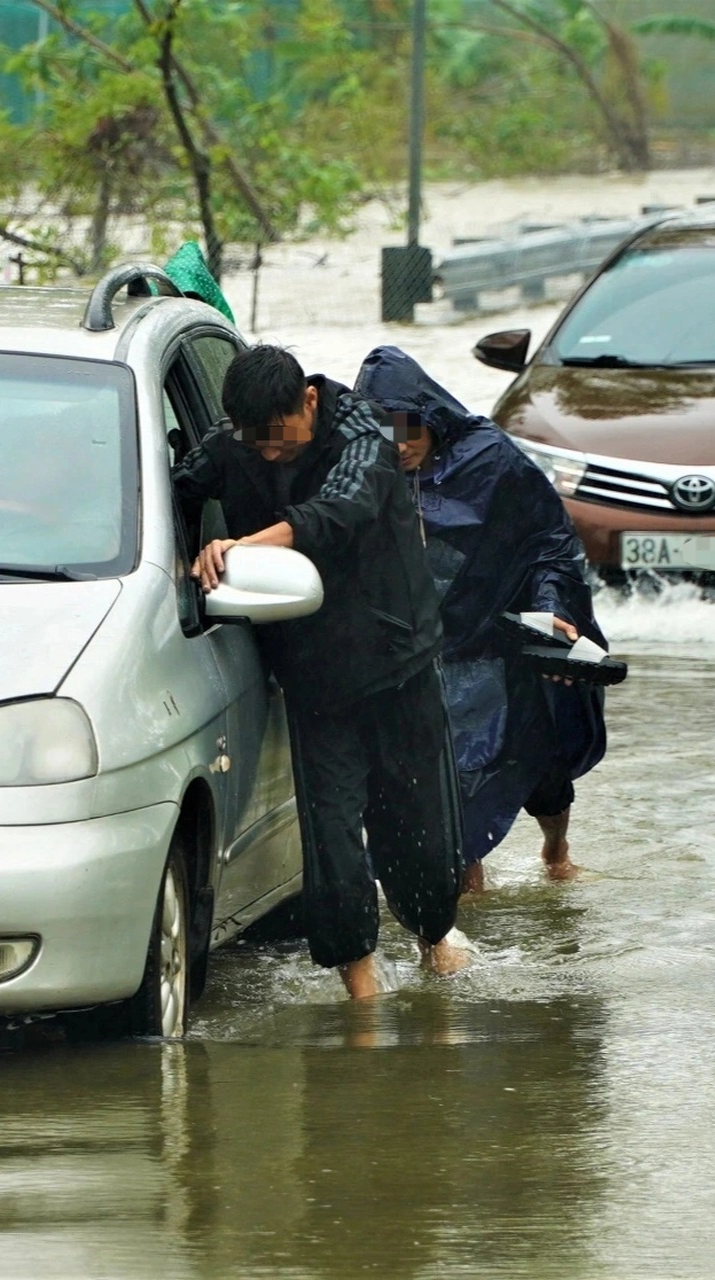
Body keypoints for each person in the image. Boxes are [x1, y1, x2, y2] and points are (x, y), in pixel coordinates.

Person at [172, 345, 467, 998]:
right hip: (313, 677)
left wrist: (239, 548)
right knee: (332, 841)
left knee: (414, 832)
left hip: (398, 664)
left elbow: (340, 512)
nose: (270, 456)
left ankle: (433, 940)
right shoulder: (236, 443)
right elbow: (178, 487)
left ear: (308, 400)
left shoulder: (365, 437)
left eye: (281, 443)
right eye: (259, 447)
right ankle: (360, 994)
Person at [355, 346, 608, 891]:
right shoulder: (364, 470)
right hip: (427, 653)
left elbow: (551, 543)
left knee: (544, 776)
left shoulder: (490, 459)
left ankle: (556, 851)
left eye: (408, 432)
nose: (398, 448)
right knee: (450, 793)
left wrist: (553, 609)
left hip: (497, 644)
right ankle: (468, 895)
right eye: (385, 434)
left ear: (431, 418)